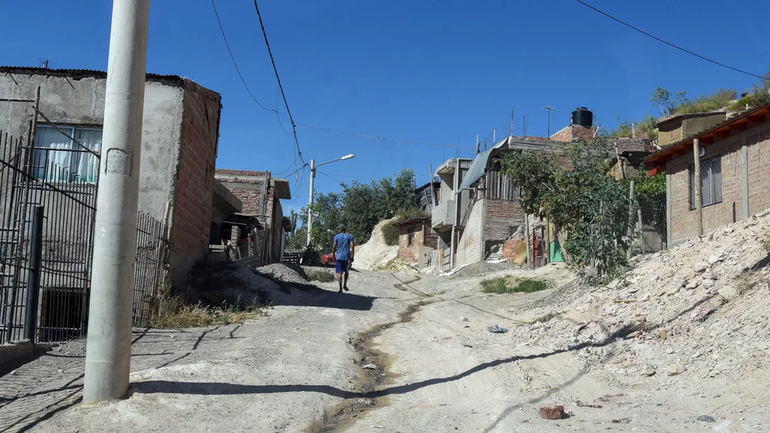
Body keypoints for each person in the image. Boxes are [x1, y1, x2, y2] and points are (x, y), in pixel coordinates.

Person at [332, 224, 354, 293]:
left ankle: (340, 288)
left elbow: (334, 247)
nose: (337, 230)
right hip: (347, 256)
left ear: (341, 229)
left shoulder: (337, 237)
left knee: (339, 272)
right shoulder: (350, 236)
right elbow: (352, 247)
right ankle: (345, 285)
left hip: (339, 256)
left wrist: (333, 255)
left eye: (338, 229)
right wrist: (352, 256)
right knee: (346, 271)